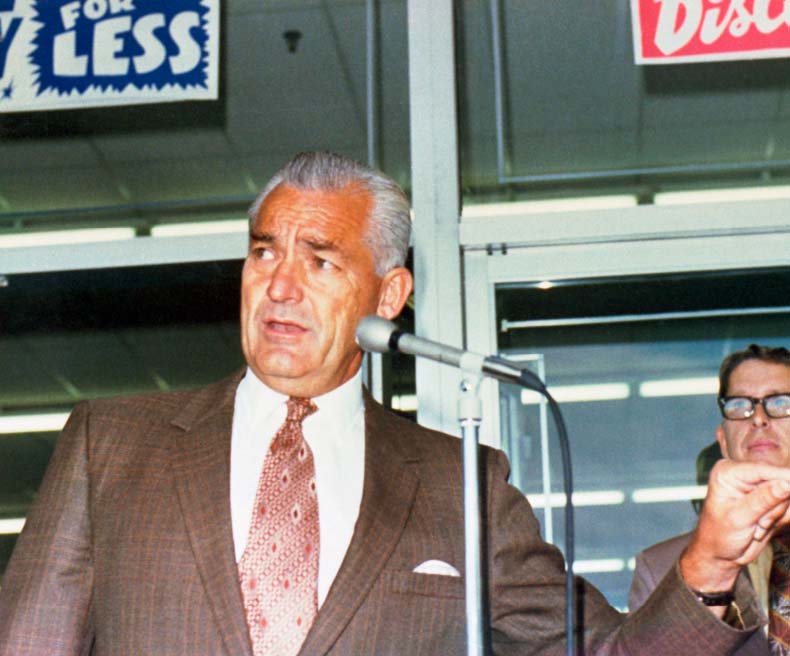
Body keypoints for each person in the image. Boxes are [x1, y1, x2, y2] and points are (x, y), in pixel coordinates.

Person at [1, 152, 790, 655]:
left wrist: (710, 563)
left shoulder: (460, 483)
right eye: (264, 252)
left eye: (320, 260)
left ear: (390, 293)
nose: (280, 285)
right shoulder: (113, 445)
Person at [629, 344, 790, 655]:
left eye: (780, 402)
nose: (758, 418)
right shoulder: (662, 570)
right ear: (723, 441)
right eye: (740, 405)